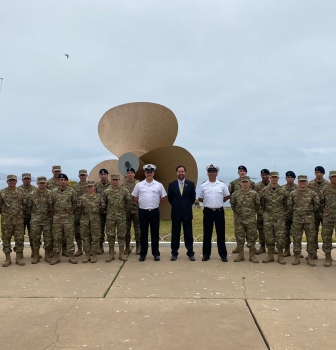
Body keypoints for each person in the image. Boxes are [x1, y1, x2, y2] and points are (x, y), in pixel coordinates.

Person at [131, 164, 167, 262]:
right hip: (143, 211)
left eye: (151, 172)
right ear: (145, 173)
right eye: (147, 172)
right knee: (143, 234)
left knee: (155, 233)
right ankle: (143, 254)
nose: (149, 174)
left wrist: (155, 201)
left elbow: (164, 197)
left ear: (153, 173)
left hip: (154, 211)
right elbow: (134, 197)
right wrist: (142, 201)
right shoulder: (139, 185)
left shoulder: (159, 185)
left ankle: (156, 254)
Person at [198, 164, 230, 262]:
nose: (212, 174)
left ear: (216, 173)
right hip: (208, 212)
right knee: (207, 234)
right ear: (208, 174)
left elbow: (227, 196)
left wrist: (219, 202)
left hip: (219, 212)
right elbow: (200, 198)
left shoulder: (222, 185)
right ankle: (206, 255)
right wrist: (209, 203)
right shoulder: (203, 185)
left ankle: (223, 255)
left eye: (214, 172)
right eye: (210, 172)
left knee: (221, 234)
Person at [287, 175, 320, 266]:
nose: (302, 183)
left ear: (307, 182)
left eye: (304, 181)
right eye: (301, 181)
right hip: (297, 219)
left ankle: (310, 257)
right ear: (298, 182)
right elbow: (289, 206)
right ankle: (297, 257)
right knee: (296, 238)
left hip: (309, 220)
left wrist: (309, 212)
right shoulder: (293, 193)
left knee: (311, 238)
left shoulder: (313, 193)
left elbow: (317, 206)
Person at [168, 165, 196, 261]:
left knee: (188, 234)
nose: (181, 173)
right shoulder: (172, 185)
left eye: (182, 171)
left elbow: (192, 198)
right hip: (176, 213)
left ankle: (190, 253)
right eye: (179, 171)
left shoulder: (191, 184)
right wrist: (177, 205)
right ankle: (174, 253)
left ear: (185, 173)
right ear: (176, 173)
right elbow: (170, 199)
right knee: (175, 234)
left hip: (187, 213)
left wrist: (185, 206)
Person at [259, 172, 288, 265]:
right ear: (270, 178)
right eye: (273, 177)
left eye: (276, 177)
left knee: (280, 237)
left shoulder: (283, 191)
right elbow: (261, 204)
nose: (274, 179)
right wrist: (266, 213)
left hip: (279, 217)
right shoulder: (264, 191)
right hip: (268, 217)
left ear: (278, 178)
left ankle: (280, 256)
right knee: (269, 237)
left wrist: (281, 213)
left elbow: (287, 204)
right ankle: (270, 255)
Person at [230, 176, 260, 263]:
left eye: (246, 182)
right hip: (239, 219)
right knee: (239, 237)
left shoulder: (254, 194)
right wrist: (238, 213)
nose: (245, 183)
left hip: (250, 219)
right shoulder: (235, 194)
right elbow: (233, 205)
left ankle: (252, 256)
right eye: (243, 182)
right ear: (240, 183)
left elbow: (258, 206)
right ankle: (241, 255)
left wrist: (251, 213)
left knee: (251, 237)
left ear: (249, 183)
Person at [50, 173, 78, 265]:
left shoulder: (72, 191)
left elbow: (74, 204)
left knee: (69, 237)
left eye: (64, 180)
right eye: (61, 180)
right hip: (57, 219)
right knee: (57, 237)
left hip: (68, 218)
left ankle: (71, 255)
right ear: (58, 181)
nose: (63, 181)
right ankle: (56, 256)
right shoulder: (53, 192)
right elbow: (50, 205)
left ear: (66, 181)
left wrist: (69, 211)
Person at [103, 173, 131, 262]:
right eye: (113, 180)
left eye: (117, 180)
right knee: (110, 235)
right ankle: (111, 253)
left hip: (121, 217)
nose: (115, 182)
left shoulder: (124, 191)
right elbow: (104, 204)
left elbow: (128, 203)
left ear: (119, 180)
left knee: (121, 235)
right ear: (111, 181)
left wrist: (123, 212)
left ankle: (121, 254)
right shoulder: (107, 191)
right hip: (110, 217)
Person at [0, 175, 26, 267]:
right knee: (6, 240)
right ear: (7, 181)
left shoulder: (21, 192)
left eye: (13, 180)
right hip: (6, 222)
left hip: (18, 221)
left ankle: (19, 258)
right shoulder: (2, 192)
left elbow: (25, 205)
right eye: (10, 180)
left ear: (16, 181)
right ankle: (7, 258)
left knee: (19, 239)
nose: (12, 182)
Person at [228, 165, 255, 254]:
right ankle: (239, 247)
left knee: (251, 232)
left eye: (244, 171)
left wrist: (252, 210)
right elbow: (231, 197)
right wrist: (235, 210)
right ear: (238, 172)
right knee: (239, 232)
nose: (242, 172)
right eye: (240, 171)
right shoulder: (233, 183)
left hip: (249, 213)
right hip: (238, 213)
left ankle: (252, 247)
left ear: (246, 172)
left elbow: (256, 198)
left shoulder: (252, 183)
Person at [28, 176, 53, 264]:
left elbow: (53, 207)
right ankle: (36, 256)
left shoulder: (51, 194)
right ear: (37, 183)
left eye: (43, 183)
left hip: (47, 220)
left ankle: (47, 255)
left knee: (48, 238)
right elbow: (28, 207)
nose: (42, 184)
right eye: (40, 183)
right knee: (35, 238)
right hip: (36, 220)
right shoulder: (32, 194)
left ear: (46, 183)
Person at [78, 181, 103, 263]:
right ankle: (87, 254)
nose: (90, 188)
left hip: (95, 220)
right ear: (86, 188)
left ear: (94, 187)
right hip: (85, 221)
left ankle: (94, 254)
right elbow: (79, 210)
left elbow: (102, 208)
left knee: (95, 238)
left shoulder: (99, 197)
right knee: (85, 238)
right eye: (88, 187)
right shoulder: (82, 198)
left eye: (91, 186)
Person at [307, 166, 329, 258]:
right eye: (317, 172)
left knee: (326, 234)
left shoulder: (328, 184)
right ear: (315, 173)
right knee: (313, 233)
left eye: (320, 172)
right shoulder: (310, 184)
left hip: (326, 213)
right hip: (314, 212)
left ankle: (327, 254)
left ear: (323, 173)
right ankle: (313, 252)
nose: (318, 174)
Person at [120, 168, 141, 255]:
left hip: (137, 210)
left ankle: (138, 247)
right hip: (126, 210)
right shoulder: (123, 185)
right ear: (126, 174)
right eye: (128, 173)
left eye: (132, 173)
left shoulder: (139, 184)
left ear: (134, 174)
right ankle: (127, 247)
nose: (130, 174)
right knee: (126, 229)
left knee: (138, 229)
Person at [319, 171, 336, 267]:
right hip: (328, 217)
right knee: (326, 237)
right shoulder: (325, 190)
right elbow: (320, 204)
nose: (334, 178)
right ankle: (328, 258)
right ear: (329, 178)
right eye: (333, 177)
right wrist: (325, 213)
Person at [19, 173, 37, 257]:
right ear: (22, 180)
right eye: (25, 179)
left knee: (33, 235)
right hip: (20, 217)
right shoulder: (18, 190)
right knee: (19, 236)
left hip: (32, 217)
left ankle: (34, 252)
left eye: (28, 179)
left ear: (31, 179)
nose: (26, 180)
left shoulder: (35, 189)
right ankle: (20, 253)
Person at [95, 169, 111, 255]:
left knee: (110, 230)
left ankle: (111, 248)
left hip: (110, 211)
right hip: (99, 212)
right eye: (102, 174)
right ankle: (100, 247)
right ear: (99, 175)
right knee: (100, 230)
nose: (103, 175)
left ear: (107, 175)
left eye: (105, 174)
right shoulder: (96, 186)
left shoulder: (111, 185)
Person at [254, 169, 270, 255]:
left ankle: (272, 247)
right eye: (263, 175)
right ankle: (262, 246)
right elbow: (254, 198)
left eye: (266, 175)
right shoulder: (257, 186)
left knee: (271, 230)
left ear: (269, 175)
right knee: (260, 229)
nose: (264, 176)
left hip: (271, 212)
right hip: (261, 212)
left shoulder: (273, 185)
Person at [282, 171, 298, 257]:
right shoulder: (282, 189)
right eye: (288, 177)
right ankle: (287, 250)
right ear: (286, 178)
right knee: (285, 233)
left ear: (294, 178)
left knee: (296, 234)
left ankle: (296, 251)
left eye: (291, 177)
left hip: (296, 215)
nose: (290, 179)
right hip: (285, 214)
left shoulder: (299, 188)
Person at [73, 169, 88, 257]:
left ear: (87, 176)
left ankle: (87, 250)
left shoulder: (90, 186)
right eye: (81, 175)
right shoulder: (75, 187)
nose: (82, 176)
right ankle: (79, 249)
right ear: (79, 176)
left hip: (86, 212)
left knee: (87, 231)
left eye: (84, 175)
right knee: (77, 231)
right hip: (77, 212)